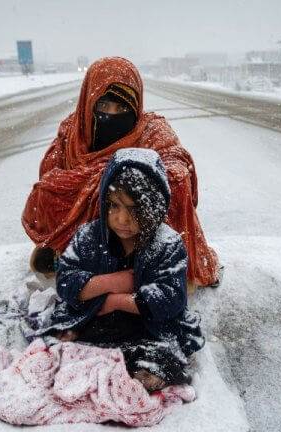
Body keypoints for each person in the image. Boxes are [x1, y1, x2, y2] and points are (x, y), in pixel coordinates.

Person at [22, 56, 220, 288]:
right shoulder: (73, 133)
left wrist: (124, 181)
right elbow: (48, 182)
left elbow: (175, 165)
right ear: (89, 105)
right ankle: (74, 250)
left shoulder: (151, 130)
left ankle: (149, 261)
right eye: (104, 106)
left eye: (123, 107)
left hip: (141, 238)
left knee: (164, 186)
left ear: (136, 108)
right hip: (86, 243)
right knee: (50, 190)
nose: (112, 115)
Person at [43, 148, 205, 392]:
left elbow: (172, 298)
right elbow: (66, 282)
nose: (122, 219)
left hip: (148, 326)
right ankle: (94, 356)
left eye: (135, 210)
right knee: (56, 345)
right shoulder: (89, 237)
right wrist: (113, 282)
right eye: (114, 206)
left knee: (163, 357)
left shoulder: (168, 244)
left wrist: (118, 301)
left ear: (155, 207)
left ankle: (142, 369)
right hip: (95, 318)